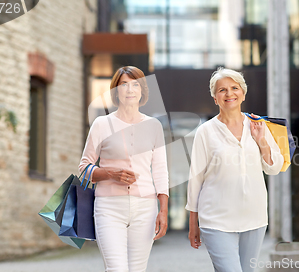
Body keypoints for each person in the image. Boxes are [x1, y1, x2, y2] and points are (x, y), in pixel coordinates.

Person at [186, 67, 284, 272]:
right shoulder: (205, 132)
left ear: (243, 93)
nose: (229, 94)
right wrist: (193, 223)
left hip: (254, 216)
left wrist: (262, 142)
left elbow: (274, 168)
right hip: (216, 218)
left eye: (234, 88)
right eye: (222, 90)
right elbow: (195, 178)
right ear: (215, 98)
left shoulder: (258, 125)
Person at [79, 66, 169, 272]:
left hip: (145, 209)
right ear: (115, 91)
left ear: (142, 90)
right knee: (116, 269)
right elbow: (84, 168)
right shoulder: (101, 124)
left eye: (135, 84)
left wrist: (163, 209)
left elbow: (161, 171)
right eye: (124, 85)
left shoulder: (154, 126)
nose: (130, 89)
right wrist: (111, 173)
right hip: (109, 208)